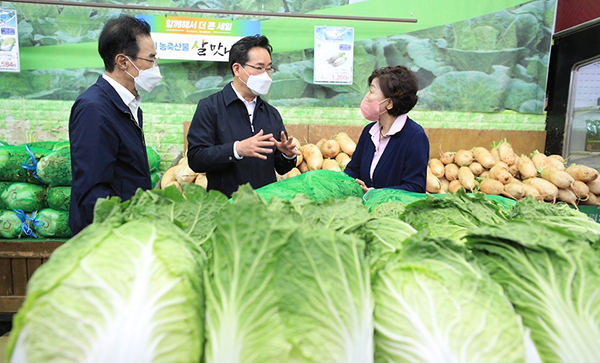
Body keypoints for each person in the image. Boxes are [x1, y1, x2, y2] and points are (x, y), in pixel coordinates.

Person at [69, 15, 161, 235]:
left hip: (129, 228)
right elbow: (92, 191)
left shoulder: (127, 103)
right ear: (123, 61)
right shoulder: (94, 108)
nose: (155, 67)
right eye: (150, 60)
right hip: (109, 237)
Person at [186, 35, 300, 198]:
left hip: (264, 207)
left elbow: (281, 168)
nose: (266, 75)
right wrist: (236, 149)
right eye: (259, 68)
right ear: (237, 69)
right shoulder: (210, 107)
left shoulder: (271, 113)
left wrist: (286, 155)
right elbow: (196, 159)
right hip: (226, 208)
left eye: (269, 69)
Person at [344, 65, 429, 193]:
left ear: (389, 103)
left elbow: (415, 187)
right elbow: (352, 171)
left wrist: (375, 193)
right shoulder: (369, 132)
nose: (366, 97)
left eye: (372, 91)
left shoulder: (415, 136)